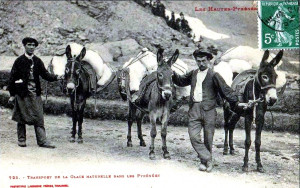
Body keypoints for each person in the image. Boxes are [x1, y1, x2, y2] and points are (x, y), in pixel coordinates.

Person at [172, 50, 245, 172]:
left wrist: (236, 102)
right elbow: (181, 81)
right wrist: (172, 74)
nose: (201, 63)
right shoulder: (193, 74)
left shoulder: (214, 75)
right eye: (198, 61)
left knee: (208, 138)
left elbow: (226, 91)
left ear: (208, 61)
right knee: (193, 136)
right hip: (194, 109)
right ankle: (208, 158)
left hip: (209, 111)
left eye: (203, 61)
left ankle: (204, 162)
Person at [7, 37, 63, 148]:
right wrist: (12, 95)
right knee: (21, 116)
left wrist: (57, 77)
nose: (31, 47)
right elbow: (12, 78)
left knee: (39, 116)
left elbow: (45, 74)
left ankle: (42, 141)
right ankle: (21, 140)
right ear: (24, 46)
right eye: (29, 45)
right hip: (22, 93)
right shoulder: (19, 61)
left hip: (35, 94)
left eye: (33, 45)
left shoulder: (37, 61)